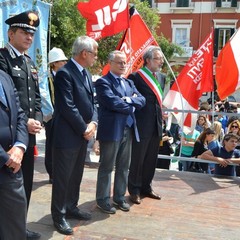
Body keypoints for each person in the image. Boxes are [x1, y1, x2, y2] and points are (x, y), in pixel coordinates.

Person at [0, 11, 42, 239]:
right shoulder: (2, 58)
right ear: (11, 33)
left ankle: (20, 227)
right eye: (24, 32)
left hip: (27, 134)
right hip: (10, 134)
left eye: (32, 34)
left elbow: (33, 97)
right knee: (8, 185)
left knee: (24, 183)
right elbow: (9, 97)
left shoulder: (28, 61)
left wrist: (34, 117)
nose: (29, 37)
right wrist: (24, 121)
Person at [51, 36, 98, 235]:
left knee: (76, 175)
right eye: (94, 53)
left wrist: (94, 122)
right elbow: (67, 106)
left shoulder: (86, 73)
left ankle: (71, 206)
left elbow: (93, 102)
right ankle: (59, 215)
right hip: (68, 135)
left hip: (81, 135)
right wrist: (84, 128)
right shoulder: (64, 74)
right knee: (63, 178)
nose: (96, 57)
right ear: (84, 53)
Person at [95, 50, 145, 214]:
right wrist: (132, 105)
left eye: (125, 62)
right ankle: (102, 199)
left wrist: (129, 100)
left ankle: (119, 197)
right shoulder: (103, 82)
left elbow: (142, 100)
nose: (123, 65)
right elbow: (112, 102)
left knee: (124, 166)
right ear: (110, 63)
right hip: (111, 130)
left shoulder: (128, 83)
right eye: (119, 62)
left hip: (128, 129)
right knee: (107, 166)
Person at [128, 46, 165, 204]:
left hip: (156, 124)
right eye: (158, 59)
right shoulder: (136, 76)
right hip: (141, 124)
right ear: (148, 60)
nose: (161, 62)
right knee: (138, 158)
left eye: (162, 59)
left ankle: (146, 187)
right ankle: (134, 189)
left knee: (151, 158)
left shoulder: (162, 77)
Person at [0, 70, 28, 240]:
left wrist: (19, 147)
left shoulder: (5, 77)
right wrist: (5, 157)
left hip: (11, 168)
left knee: (15, 227)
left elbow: (20, 114)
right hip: (8, 160)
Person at [43, 47, 68, 183]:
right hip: (51, 117)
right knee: (51, 144)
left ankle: (59, 171)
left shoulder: (65, 76)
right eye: (61, 61)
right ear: (54, 63)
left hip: (63, 117)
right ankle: (52, 172)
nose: (64, 63)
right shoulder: (46, 78)